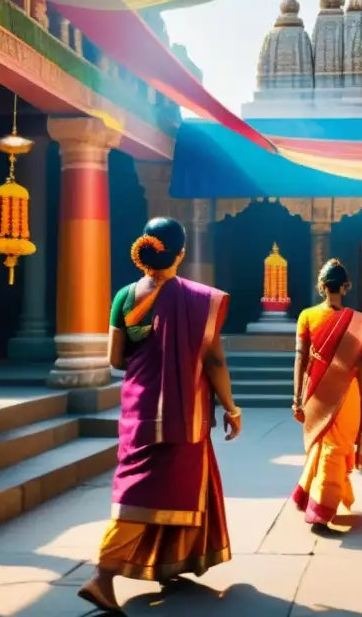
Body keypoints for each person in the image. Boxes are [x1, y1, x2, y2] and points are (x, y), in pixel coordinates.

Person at [79, 217, 242, 613]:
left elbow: (115, 359)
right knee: (157, 487)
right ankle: (102, 574)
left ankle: (169, 561)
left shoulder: (124, 297)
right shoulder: (200, 299)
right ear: (181, 252)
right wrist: (231, 407)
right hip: (186, 409)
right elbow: (214, 358)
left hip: (139, 406)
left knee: (143, 483)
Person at [292, 259, 362, 532]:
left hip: (315, 390)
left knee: (324, 446)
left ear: (321, 286)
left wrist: (296, 397)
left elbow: (300, 358)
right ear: (346, 287)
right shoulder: (359, 324)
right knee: (334, 448)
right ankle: (320, 511)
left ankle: (311, 495)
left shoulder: (306, 315)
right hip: (347, 394)